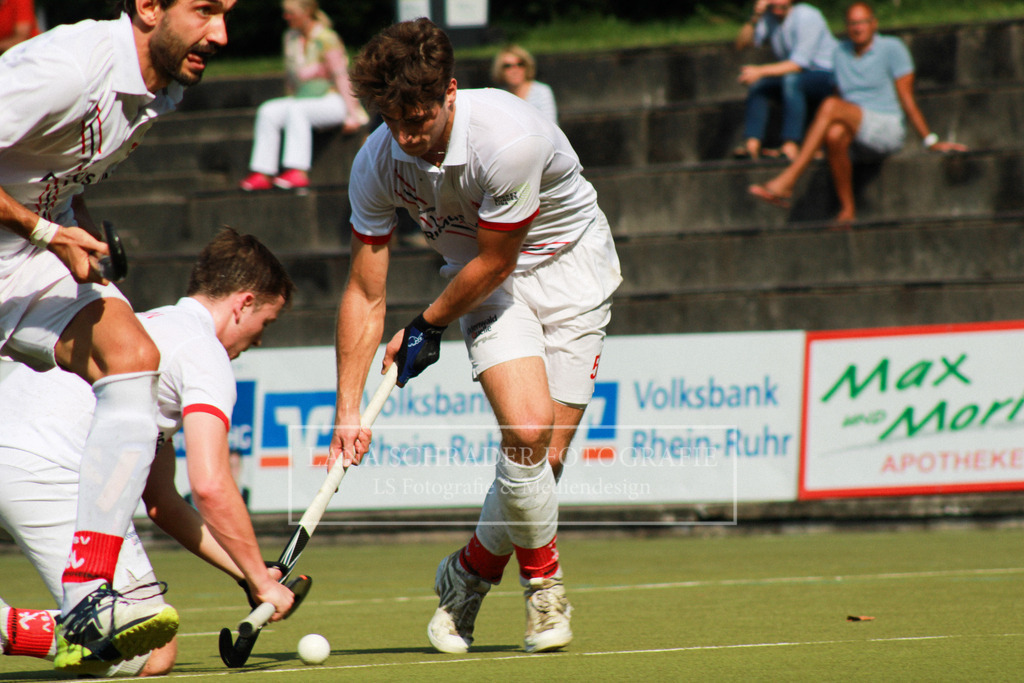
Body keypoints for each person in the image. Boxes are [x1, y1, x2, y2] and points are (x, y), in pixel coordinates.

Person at [330, 18, 622, 655]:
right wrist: (347, 407)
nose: (410, 138)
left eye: (422, 120)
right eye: (395, 122)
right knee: (524, 431)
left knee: (541, 464)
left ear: (451, 94)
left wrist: (425, 326)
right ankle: (544, 591)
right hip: (481, 281)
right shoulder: (377, 161)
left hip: (568, 267)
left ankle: (466, 574)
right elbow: (364, 290)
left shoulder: (507, 137)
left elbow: (500, 258)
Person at [0, 0, 235, 670]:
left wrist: (81, 228)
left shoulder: (159, 92)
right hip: (27, 247)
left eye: (228, 13)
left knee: (134, 357)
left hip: (22, 263)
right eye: (205, 10)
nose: (220, 34)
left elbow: (56, 178)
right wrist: (46, 232)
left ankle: (87, 590)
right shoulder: (71, 68)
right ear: (149, 7)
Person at [0, 229, 297, 676]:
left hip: (19, 448)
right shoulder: (204, 353)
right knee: (148, 652)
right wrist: (261, 579)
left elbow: (162, 501)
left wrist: (247, 574)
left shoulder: (150, 322)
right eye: (265, 324)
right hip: (45, 468)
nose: (257, 340)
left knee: (142, 633)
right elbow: (211, 485)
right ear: (244, 303)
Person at [748, 1, 966, 223]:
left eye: (862, 22)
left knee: (831, 106)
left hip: (885, 127)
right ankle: (847, 210)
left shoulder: (892, 48)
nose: (858, 28)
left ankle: (789, 180)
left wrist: (929, 140)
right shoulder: (840, 53)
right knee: (834, 133)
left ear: (874, 24)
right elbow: (838, 98)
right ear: (846, 27)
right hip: (855, 128)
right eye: (853, 23)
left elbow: (907, 100)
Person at [239, 0, 369, 191]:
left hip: (333, 100)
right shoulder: (290, 38)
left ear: (307, 12)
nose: (286, 17)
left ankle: (297, 171)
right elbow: (290, 78)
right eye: (285, 12)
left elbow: (341, 76)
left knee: (297, 110)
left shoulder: (327, 38)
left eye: (290, 12)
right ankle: (263, 172)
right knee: (268, 110)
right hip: (303, 99)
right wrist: (290, 96)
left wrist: (353, 113)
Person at [734, 0, 837, 160]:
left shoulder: (807, 16)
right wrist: (755, 16)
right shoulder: (769, 18)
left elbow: (799, 64)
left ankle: (791, 144)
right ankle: (751, 145)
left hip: (827, 75)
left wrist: (760, 71)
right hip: (798, 76)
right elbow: (742, 44)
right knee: (760, 86)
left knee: (791, 81)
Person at [490, 44, 558, 124]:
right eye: (508, 66)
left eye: (520, 64)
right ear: (500, 70)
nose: (515, 70)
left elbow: (551, 125)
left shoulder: (542, 91)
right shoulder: (499, 96)